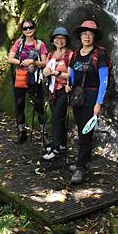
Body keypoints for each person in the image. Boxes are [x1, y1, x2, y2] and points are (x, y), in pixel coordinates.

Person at [66, 19, 109, 184]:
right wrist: (68, 86)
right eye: (84, 34)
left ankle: (80, 168)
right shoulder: (76, 54)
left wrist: (99, 103)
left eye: (90, 34)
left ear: (94, 37)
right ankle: (83, 162)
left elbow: (103, 81)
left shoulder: (100, 55)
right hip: (78, 98)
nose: (87, 37)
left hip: (91, 99)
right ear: (80, 36)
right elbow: (71, 73)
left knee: (85, 133)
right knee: (81, 130)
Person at [7, 19, 48, 144]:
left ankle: (44, 134)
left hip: (34, 78)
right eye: (25, 28)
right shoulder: (19, 43)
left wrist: (33, 62)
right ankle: (22, 133)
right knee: (19, 105)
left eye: (30, 27)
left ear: (34, 29)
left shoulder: (40, 44)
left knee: (38, 105)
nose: (28, 30)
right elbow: (10, 58)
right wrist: (21, 62)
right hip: (20, 77)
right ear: (22, 30)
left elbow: (45, 62)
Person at [41, 27, 73, 161]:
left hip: (63, 89)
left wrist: (56, 73)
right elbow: (46, 68)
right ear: (53, 40)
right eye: (57, 38)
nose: (59, 41)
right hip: (52, 90)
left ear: (66, 40)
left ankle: (55, 149)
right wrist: (46, 71)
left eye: (62, 38)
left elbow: (71, 76)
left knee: (57, 119)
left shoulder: (70, 55)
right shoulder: (51, 55)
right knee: (58, 118)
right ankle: (62, 145)